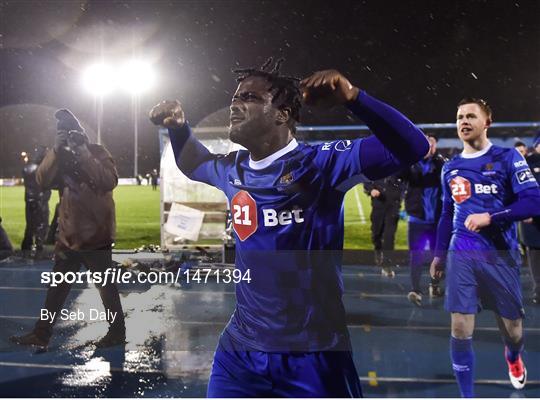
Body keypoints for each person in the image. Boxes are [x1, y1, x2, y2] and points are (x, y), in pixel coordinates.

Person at [150, 58, 429, 397]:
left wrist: (353, 97)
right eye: (236, 96)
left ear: (282, 114)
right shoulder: (232, 170)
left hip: (312, 354)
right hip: (241, 350)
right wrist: (179, 128)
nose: (235, 104)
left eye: (250, 98)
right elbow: (195, 162)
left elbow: (412, 145)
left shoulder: (323, 163)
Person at [430, 98, 540, 397]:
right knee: (460, 328)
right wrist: (439, 254)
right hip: (461, 251)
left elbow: (534, 201)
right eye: (459, 117)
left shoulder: (508, 158)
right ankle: (467, 396)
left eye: (470, 116)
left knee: (514, 330)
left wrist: (491, 217)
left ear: (486, 123)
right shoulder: (450, 167)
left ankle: (514, 357)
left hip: (500, 254)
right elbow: (444, 214)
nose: (463, 121)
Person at [10, 109, 125, 348]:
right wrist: (55, 150)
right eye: (64, 133)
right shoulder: (59, 158)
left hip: (96, 235)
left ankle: (117, 332)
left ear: (82, 134)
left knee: (106, 289)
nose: (70, 137)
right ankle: (41, 334)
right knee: (57, 289)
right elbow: (41, 180)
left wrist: (83, 151)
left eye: (73, 132)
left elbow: (108, 181)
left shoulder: (98, 152)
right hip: (69, 237)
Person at [401, 134, 446, 306]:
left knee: (439, 257)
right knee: (416, 256)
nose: (428, 148)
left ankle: (434, 285)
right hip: (417, 219)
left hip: (437, 220)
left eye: (431, 145)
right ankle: (415, 289)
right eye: (425, 145)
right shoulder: (411, 164)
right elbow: (400, 174)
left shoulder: (440, 164)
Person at [363, 174, 405, 277]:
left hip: (393, 206)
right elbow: (366, 180)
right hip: (378, 204)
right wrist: (371, 190)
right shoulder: (377, 166)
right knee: (376, 233)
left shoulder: (399, 167)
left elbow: (405, 182)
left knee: (389, 236)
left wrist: (402, 195)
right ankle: (378, 249)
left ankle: (387, 265)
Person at [519, 133, 540, 304]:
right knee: (536, 256)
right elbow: (520, 190)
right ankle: (538, 291)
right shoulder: (527, 163)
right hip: (533, 219)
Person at [21, 146, 51, 258]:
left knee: (30, 225)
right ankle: (39, 248)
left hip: (29, 200)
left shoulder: (26, 168)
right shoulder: (41, 170)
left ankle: (26, 247)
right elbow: (47, 184)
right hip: (40, 200)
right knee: (42, 225)